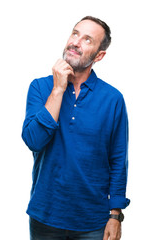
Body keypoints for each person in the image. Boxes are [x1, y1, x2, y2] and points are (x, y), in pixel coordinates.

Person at [22, 16, 129, 240]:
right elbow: (33, 140)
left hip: (93, 221)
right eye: (75, 33)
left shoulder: (113, 99)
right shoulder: (41, 87)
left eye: (88, 40)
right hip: (45, 216)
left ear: (99, 55)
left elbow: (118, 159)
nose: (76, 42)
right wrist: (58, 90)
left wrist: (115, 215)